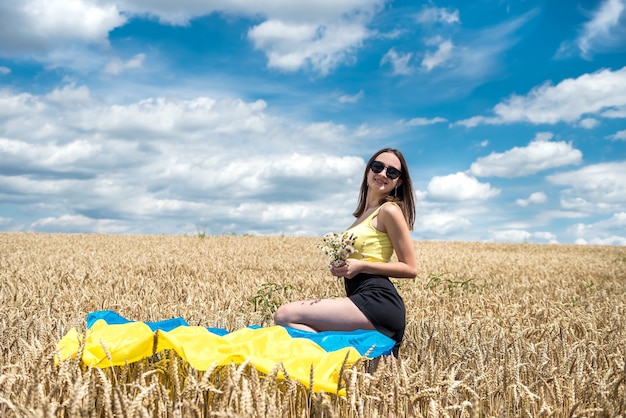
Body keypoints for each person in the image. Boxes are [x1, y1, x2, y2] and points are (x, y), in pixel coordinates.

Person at [274, 147, 417, 357]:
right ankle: (351, 360)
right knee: (289, 319)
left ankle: (338, 360)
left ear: (399, 182)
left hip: (378, 300)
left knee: (286, 315)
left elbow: (410, 268)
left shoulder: (389, 210)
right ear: (368, 170)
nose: (383, 174)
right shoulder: (362, 216)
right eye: (378, 167)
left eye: (392, 172)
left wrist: (362, 266)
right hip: (359, 295)